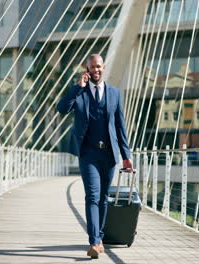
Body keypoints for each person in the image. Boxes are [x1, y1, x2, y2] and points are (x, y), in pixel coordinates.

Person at [57, 54, 133, 259]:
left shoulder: (115, 93)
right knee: (92, 195)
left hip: (109, 154)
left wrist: (126, 156)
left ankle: (100, 238)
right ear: (86, 69)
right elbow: (62, 109)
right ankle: (94, 241)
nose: (96, 70)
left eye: (98, 67)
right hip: (88, 153)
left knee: (103, 199)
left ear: (104, 67)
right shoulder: (80, 93)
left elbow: (120, 126)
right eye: (92, 67)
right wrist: (76, 87)